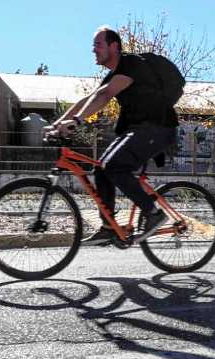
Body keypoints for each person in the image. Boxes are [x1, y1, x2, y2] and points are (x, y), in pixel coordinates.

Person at [45, 26, 179, 245]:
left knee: (114, 166)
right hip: (138, 129)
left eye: (98, 44)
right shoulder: (114, 74)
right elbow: (89, 98)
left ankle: (153, 213)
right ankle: (108, 228)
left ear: (114, 46)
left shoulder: (131, 63)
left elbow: (105, 95)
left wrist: (77, 121)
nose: (93, 50)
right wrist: (57, 124)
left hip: (158, 127)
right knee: (101, 168)